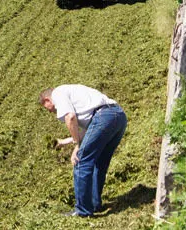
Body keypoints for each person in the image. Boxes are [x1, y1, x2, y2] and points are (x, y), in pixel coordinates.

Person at [38, 84, 127, 217]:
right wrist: (64, 141)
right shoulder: (77, 95)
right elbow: (92, 128)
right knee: (99, 163)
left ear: (47, 100)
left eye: (48, 109)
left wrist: (77, 146)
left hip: (103, 117)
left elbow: (70, 117)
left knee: (81, 161)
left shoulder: (57, 93)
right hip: (117, 116)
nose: (51, 112)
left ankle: (83, 211)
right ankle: (94, 204)